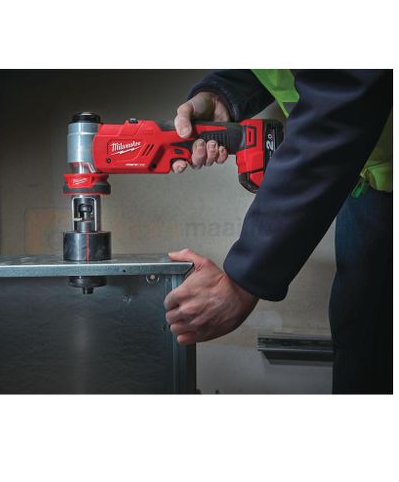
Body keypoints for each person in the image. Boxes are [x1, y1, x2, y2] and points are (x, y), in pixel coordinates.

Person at [164, 69, 392, 394]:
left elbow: (339, 94)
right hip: (371, 178)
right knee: (360, 339)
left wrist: (244, 280)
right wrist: (223, 94)